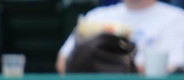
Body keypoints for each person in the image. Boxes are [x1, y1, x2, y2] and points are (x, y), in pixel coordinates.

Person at [56, 0, 184, 74]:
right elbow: (63, 63)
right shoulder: (97, 16)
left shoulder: (177, 18)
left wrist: (106, 67)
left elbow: (172, 69)